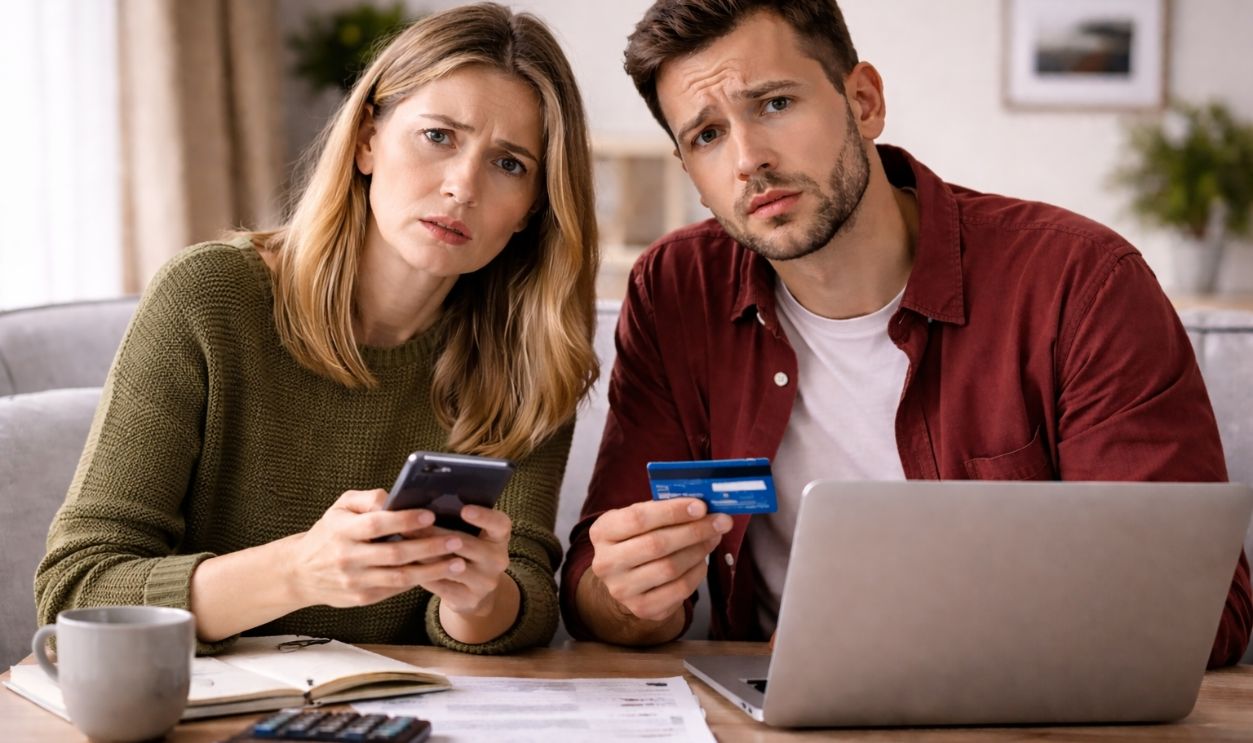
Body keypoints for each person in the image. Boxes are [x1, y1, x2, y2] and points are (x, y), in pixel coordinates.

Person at [559, 0, 1252, 668]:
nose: (747, 160)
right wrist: (627, 596)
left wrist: (912, 645)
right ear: (691, 173)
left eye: (774, 104)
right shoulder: (676, 291)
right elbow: (594, 591)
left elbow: (1202, 609)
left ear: (863, 102)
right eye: (706, 135)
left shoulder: (1079, 280)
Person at [36, 2, 598, 655]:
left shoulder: (533, 354)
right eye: (438, 136)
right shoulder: (210, 297)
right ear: (366, 140)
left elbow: (525, 603)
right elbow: (76, 590)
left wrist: (475, 596)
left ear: (532, 207)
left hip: (410, 715)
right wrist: (298, 571)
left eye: (509, 164)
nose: (461, 186)